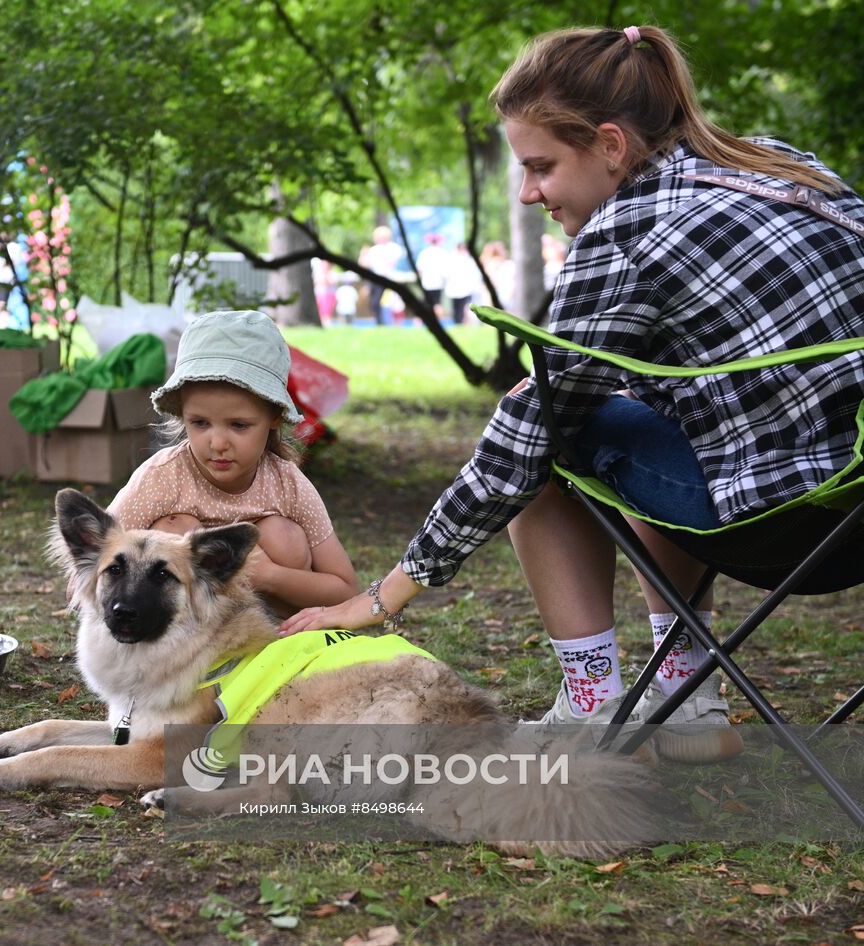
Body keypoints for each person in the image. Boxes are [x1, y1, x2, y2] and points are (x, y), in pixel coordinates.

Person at [278, 25, 864, 763]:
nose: (527, 194)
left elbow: (519, 447)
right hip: (852, 514)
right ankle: (688, 700)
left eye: (541, 167)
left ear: (612, 145)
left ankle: (594, 707)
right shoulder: (784, 168)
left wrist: (384, 595)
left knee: (548, 435)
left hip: (779, 529)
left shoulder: (622, 235)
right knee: (640, 412)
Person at [108, 309, 360, 616]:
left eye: (239, 425)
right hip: (184, 630)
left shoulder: (287, 483)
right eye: (200, 423)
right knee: (173, 530)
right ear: (181, 414)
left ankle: (276, 637)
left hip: (265, 618)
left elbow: (345, 590)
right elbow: (103, 556)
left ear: (275, 416)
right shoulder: (163, 476)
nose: (217, 443)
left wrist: (267, 575)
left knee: (283, 535)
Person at [358, 226, 404, 325]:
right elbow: (364, 264)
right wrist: (363, 254)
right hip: (376, 279)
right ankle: (380, 322)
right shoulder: (373, 250)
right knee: (375, 302)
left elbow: (393, 262)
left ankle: (397, 323)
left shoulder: (394, 248)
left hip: (390, 278)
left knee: (394, 303)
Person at [443, 242, 483, 324]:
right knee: (459, 307)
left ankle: (460, 322)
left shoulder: (463, 259)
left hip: (464, 288)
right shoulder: (454, 258)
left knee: (461, 308)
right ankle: (459, 322)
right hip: (458, 288)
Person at [415, 233, 449, 319]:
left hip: (427, 282)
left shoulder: (424, 253)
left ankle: (422, 320)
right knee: (437, 303)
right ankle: (438, 321)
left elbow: (419, 268)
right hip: (438, 282)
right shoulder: (443, 253)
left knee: (427, 303)